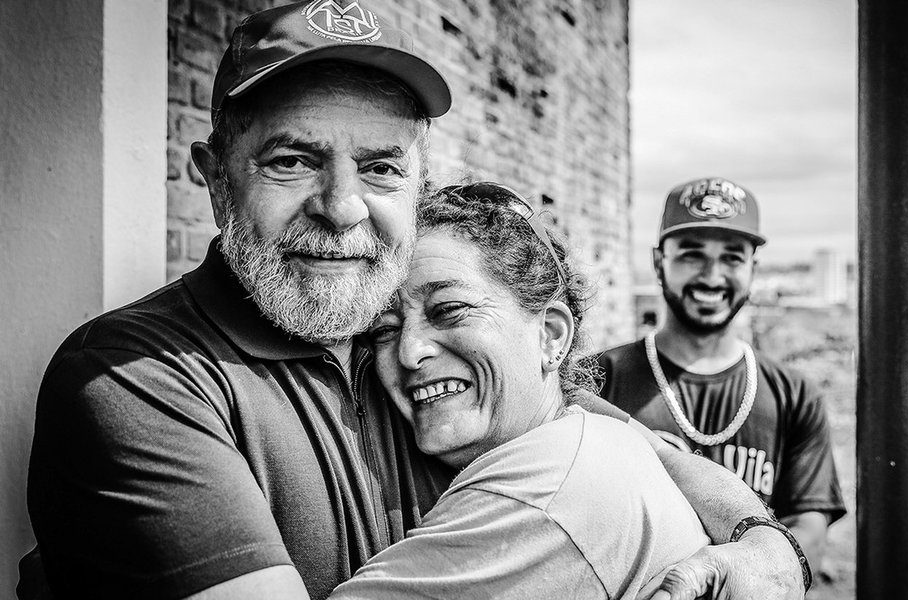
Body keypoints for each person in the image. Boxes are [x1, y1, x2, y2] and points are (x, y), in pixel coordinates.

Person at [23, 3, 807, 599]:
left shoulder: (394, 338)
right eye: (292, 160)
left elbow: (637, 444)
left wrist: (766, 545)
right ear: (215, 174)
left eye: (381, 168)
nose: (342, 207)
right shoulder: (137, 378)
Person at [327, 183, 710, 598]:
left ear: (550, 336)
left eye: (450, 309)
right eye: (385, 329)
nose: (409, 352)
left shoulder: (539, 495)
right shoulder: (595, 442)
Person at [596, 176, 848, 575]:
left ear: (753, 269)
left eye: (732, 257)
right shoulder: (597, 382)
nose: (712, 277)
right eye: (692, 254)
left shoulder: (796, 395)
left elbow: (809, 540)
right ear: (659, 262)